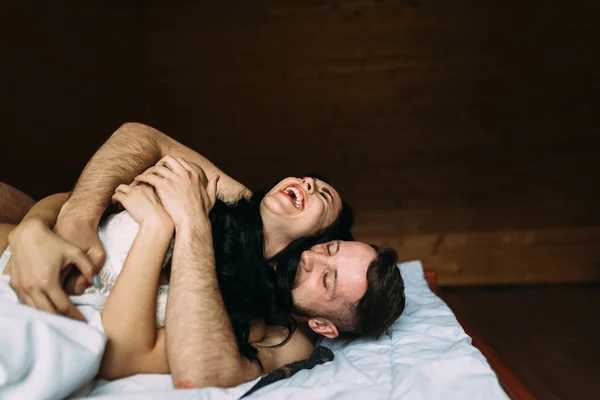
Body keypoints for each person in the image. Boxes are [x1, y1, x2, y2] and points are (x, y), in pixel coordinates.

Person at [1, 123, 406, 387]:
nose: (313, 258)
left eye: (327, 278)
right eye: (329, 250)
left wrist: (175, 221)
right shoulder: (239, 202)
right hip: (30, 244)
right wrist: (46, 226)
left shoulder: (262, 322)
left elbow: (167, 362)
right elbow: (136, 142)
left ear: (323, 324)